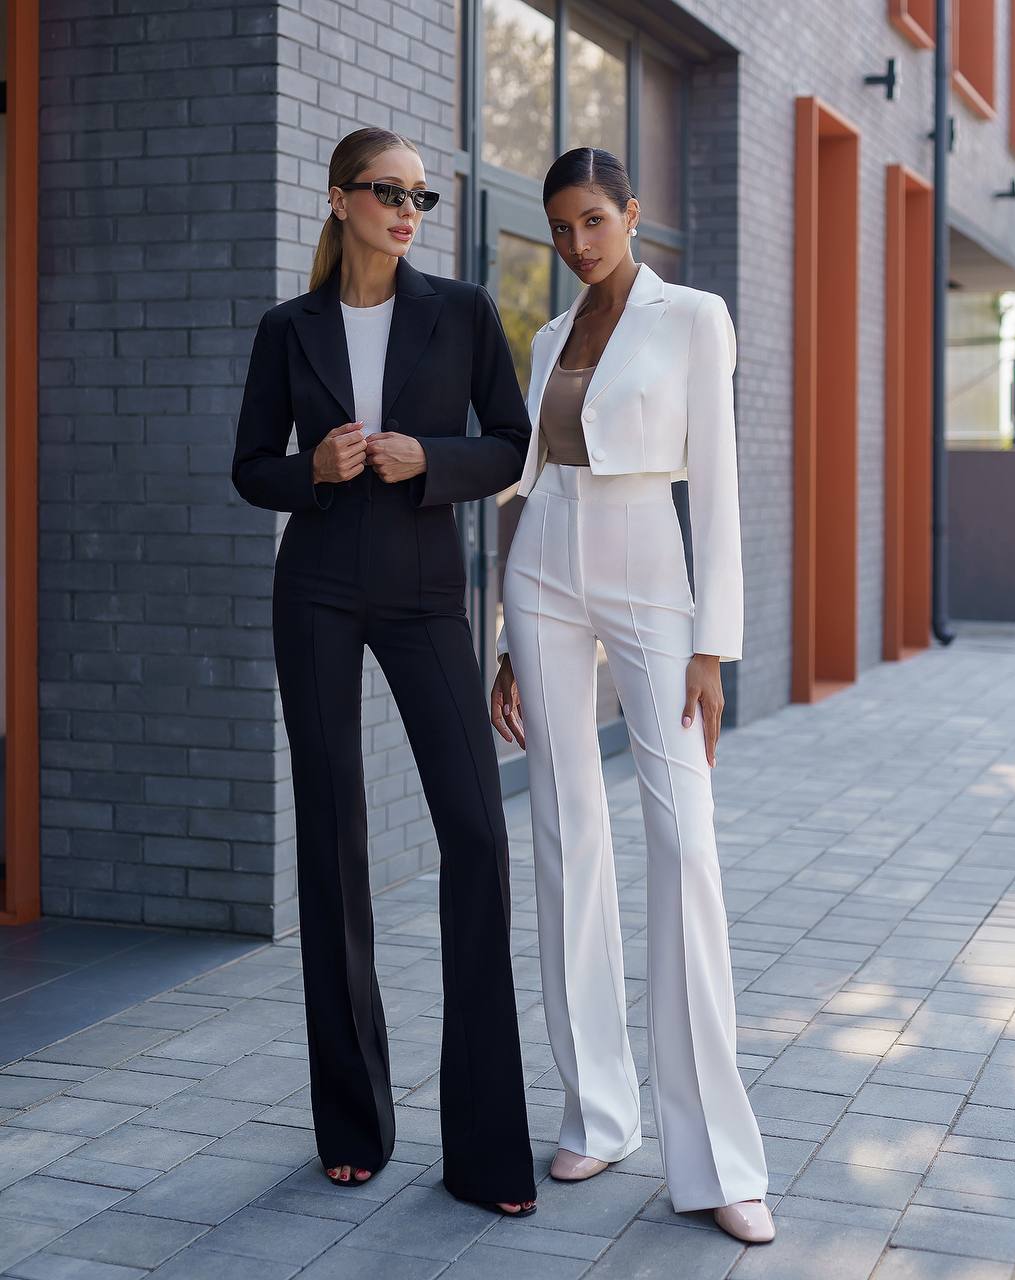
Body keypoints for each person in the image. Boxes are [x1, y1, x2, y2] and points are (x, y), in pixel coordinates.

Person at [232, 126, 536, 1217]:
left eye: (422, 196)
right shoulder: (288, 328)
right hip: (312, 587)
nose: (409, 210)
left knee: (475, 830)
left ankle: (487, 1143)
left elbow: (511, 441)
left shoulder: (462, 312)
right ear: (340, 200)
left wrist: (429, 461)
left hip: (420, 594)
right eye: (389, 192)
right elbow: (248, 467)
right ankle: (352, 1119)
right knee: (333, 837)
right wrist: (310, 468)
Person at [491, 146, 773, 1244]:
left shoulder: (692, 316)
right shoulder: (549, 335)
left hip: (655, 581)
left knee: (684, 844)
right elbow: (537, 477)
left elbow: (721, 480)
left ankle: (715, 1158)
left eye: (594, 221)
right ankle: (596, 1109)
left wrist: (715, 643)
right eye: (561, 227)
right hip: (546, 572)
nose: (576, 244)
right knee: (563, 832)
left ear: (634, 215)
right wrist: (509, 637)